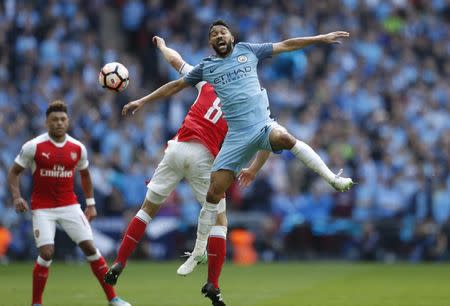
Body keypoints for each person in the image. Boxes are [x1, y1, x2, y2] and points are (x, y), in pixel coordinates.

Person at [122, 19, 355, 291]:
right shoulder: (206, 69)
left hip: (261, 127)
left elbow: (287, 44)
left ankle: (332, 178)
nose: (218, 36)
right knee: (213, 194)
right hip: (235, 139)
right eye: (213, 34)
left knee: (285, 137)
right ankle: (199, 251)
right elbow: (175, 82)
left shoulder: (249, 50)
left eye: (222, 31)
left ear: (231, 36)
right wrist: (142, 99)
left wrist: (321, 38)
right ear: (210, 43)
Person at [104, 36, 270, 306]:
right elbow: (267, 139)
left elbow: (175, 61)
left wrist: (160, 46)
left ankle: (120, 261)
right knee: (220, 222)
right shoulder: (247, 104)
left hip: (177, 148)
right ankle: (213, 285)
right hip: (204, 158)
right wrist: (251, 168)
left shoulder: (207, 79)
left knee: (146, 210)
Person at [7, 100, 131, 306]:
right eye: (54, 119)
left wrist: (90, 203)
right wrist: (16, 196)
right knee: (47, 253)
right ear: (47, 122)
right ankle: (36, 303)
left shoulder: (77, 148)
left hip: (69, 206)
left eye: (62, 119)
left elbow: (85, 175)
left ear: (68, 121)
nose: (59, 123)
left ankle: (113, 298)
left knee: (91, 249)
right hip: (43, 208)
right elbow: (14, 173)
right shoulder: (33, 146)